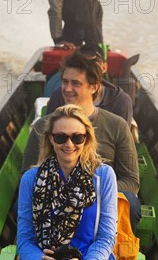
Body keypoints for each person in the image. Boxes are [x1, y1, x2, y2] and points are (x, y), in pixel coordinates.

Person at [17, 105, 120, 260]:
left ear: (87, 139)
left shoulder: (103, 176)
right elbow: (25, 237)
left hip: (89, 259)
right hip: (48, 259)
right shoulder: (31, 179)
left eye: (77, 137)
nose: (69, 144)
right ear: (50, 139)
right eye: (61, 137)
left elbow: (106, 236)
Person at [22, 53, 141, 234]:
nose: (67, 89)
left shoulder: (117, 126)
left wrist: (90, 190)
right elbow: (27, 174)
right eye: (64, 82)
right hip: (53, 196)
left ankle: (112, 251)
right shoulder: (42, 127)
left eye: (76, 83)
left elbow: (131, 181)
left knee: (130, 202)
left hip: (101, 197)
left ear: (94, 87)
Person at [46, 44, 134, 127]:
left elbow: (122, 139)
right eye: (81, 63)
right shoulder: (59, 96)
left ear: (103, 68)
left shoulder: (120, 101)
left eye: (92, 65)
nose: (68, 89)